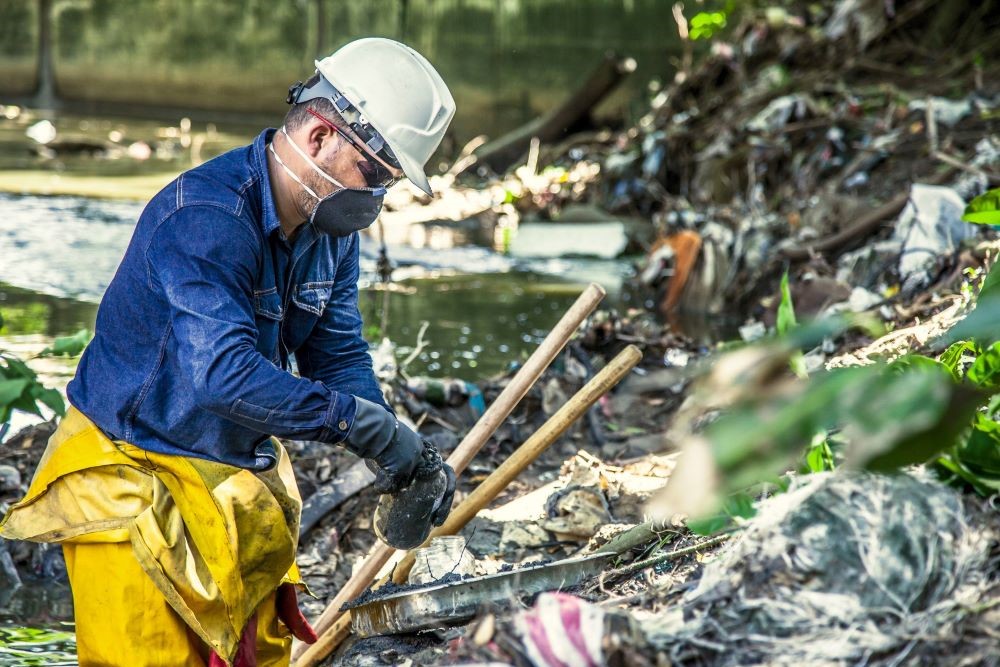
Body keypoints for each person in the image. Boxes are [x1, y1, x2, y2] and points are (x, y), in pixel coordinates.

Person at [0, 37, 457, 666]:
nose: (376, 198)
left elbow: (339, 353)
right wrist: (362, 427)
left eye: (389, 183)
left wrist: (399, 450)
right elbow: (224, 377)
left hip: (231, 474)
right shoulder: (206, 217)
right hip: (134, 471)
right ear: (321, 137)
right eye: (374, 175)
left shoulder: (329, 231)